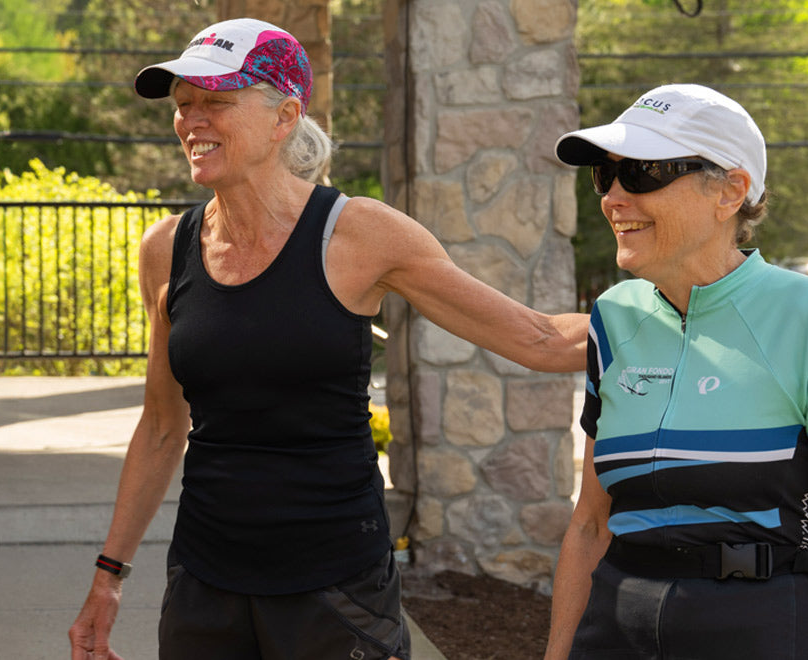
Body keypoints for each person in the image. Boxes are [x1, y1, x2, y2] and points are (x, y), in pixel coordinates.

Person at [65, 18, 587, 660]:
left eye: (216, 102)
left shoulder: (360, 235)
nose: (191, 121)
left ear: (284, 117)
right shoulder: (167, 249)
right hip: (205, 583)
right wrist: (107, 577)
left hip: (336, 589)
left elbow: (539, 340)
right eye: (184, 104)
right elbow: (162, 427)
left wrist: (684, 314)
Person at [546, 84, 808, 659]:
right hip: (613, 629)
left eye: (642, 173)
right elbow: (589, 527)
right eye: (605, 176)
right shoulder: (615, 318)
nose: (613, 197)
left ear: (731, 191)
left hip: (760, 627)